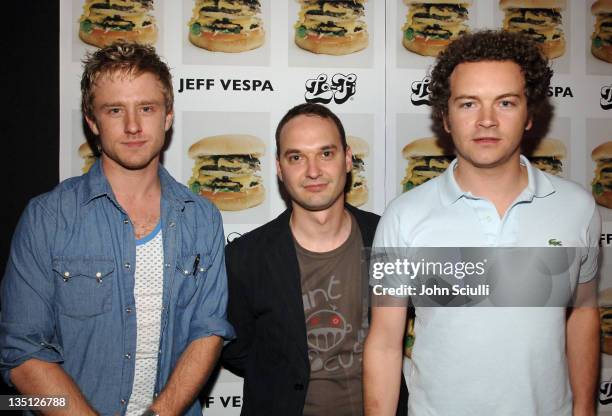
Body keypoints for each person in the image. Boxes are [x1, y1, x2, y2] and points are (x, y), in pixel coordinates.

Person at [363, 30, 600, 416]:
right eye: (469, 103)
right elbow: (386, 343)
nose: (487, 120)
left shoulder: (577, 208)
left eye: (505, 103)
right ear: (445, 117)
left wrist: (585, 409)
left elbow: (584, 312)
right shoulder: (404, 216)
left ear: (529, 115)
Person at [0, 42, 234, 416]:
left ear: (168, 116)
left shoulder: (202, 217)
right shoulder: (46, 218)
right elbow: (21, 353)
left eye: (146, 108)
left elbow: (207, 331)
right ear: (92, 122)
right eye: (114, 110)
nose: (133, 126)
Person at [223, 103, 407, 416]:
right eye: (296, 157)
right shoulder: (244, 258)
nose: (312, 171)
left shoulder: (389, 239)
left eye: (326, 153)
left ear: (348, 160)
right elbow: (236, 350)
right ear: (280, 169)